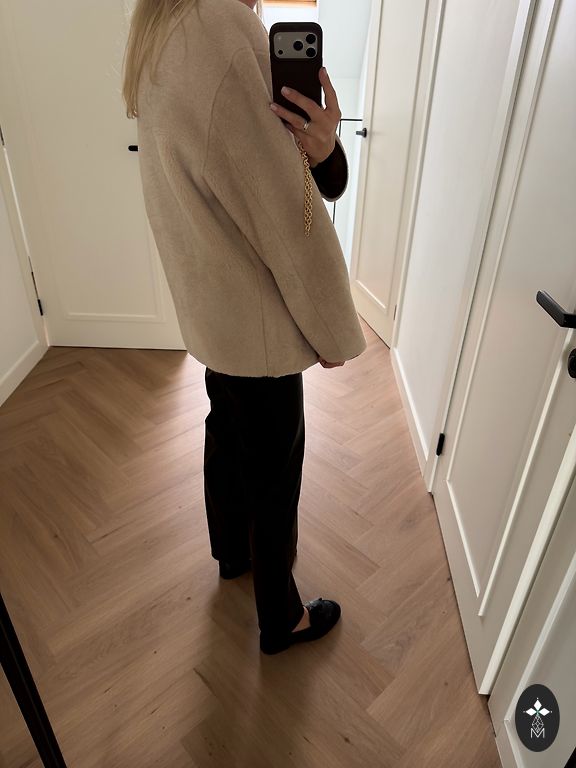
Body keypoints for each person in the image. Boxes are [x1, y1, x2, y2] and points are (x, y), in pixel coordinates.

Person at [122, 0, 366, 655]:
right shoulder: (224, 29)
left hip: (212, 305)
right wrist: (331, 330)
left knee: (227, 432)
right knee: (273, 468)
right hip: (257, 317)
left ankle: (231, 552)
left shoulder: (159, 29)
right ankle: (281, 620)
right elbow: (285, 212)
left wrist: (318, 150)